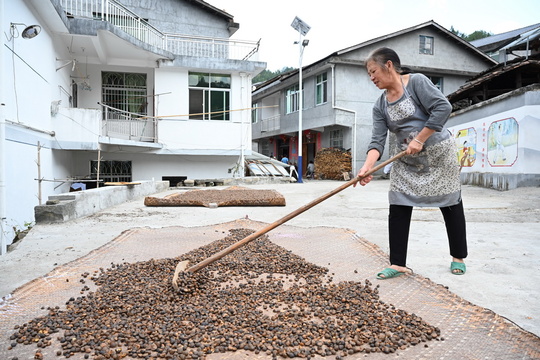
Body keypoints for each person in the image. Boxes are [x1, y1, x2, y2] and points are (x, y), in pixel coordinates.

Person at [355, 47, 468, 279]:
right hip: (407, 160)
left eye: (373, 71)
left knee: (450, 202)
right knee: (398, 202)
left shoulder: (416, 83)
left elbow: (443, 107)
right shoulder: (380, 105)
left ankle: (458, 257)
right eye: (369, 74)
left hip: (438, 154)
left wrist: (419, 139)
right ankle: (397, 263)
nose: (372, 78)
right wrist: (367, 167)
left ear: (388, 65)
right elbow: (377, 141)